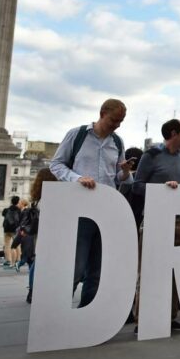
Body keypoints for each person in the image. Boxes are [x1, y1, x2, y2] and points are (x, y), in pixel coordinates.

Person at [49, 98, 135, 307]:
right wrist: (77, 178)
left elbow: (119, 178)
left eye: (121, 121)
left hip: (107, 210)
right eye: (114, 119)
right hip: (80, 209)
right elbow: (56, 164)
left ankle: (86, 314)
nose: (117, 125)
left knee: (98, 269)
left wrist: (125, 172)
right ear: (102, 113)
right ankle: (58, 312)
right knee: (76, 267)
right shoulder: (77, 135)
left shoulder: (117, 142)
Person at [132, 119, 180, 330]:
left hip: (177, 220)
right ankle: (142, 317)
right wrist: (161, 190)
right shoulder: (151, 156)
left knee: (174, 270)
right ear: (174, 133)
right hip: (154, 219)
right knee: (148, 269)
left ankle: (171, 315)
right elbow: (136, 186)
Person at [22, 168, 54, 303]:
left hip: (38, 236)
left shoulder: (37, 199)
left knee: (37, 264)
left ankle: (32, 291)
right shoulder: (49, 199)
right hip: (48, 236)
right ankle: (33, 291)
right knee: (38, 264)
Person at [2, 196, 21, 269]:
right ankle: (18, 259)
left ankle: (8, 260)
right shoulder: (19, 210)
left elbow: (3, 214)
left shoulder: (6, 209)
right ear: (17, 202)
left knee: (7, 245)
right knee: (17, 244)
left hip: (6, 229)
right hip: (15, 229)